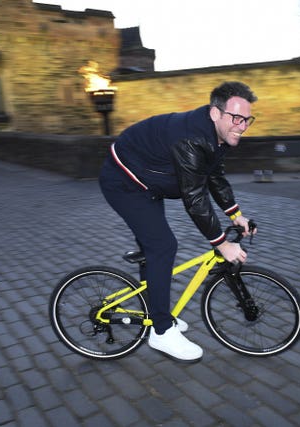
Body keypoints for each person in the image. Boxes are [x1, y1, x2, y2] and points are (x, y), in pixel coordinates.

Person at [98, 81, 258, 362]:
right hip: (124, 182)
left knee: (154, 250)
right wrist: (221, 244)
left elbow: (214, 177)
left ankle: (156, 313)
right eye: (236, 118)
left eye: (247, 119)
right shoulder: (192, 139)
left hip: (148, 182)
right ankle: (160, 331)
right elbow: (194, 197)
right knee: (163, 247)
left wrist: (236, 215)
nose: (242, 126)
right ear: (214, 114)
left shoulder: (217, 137)